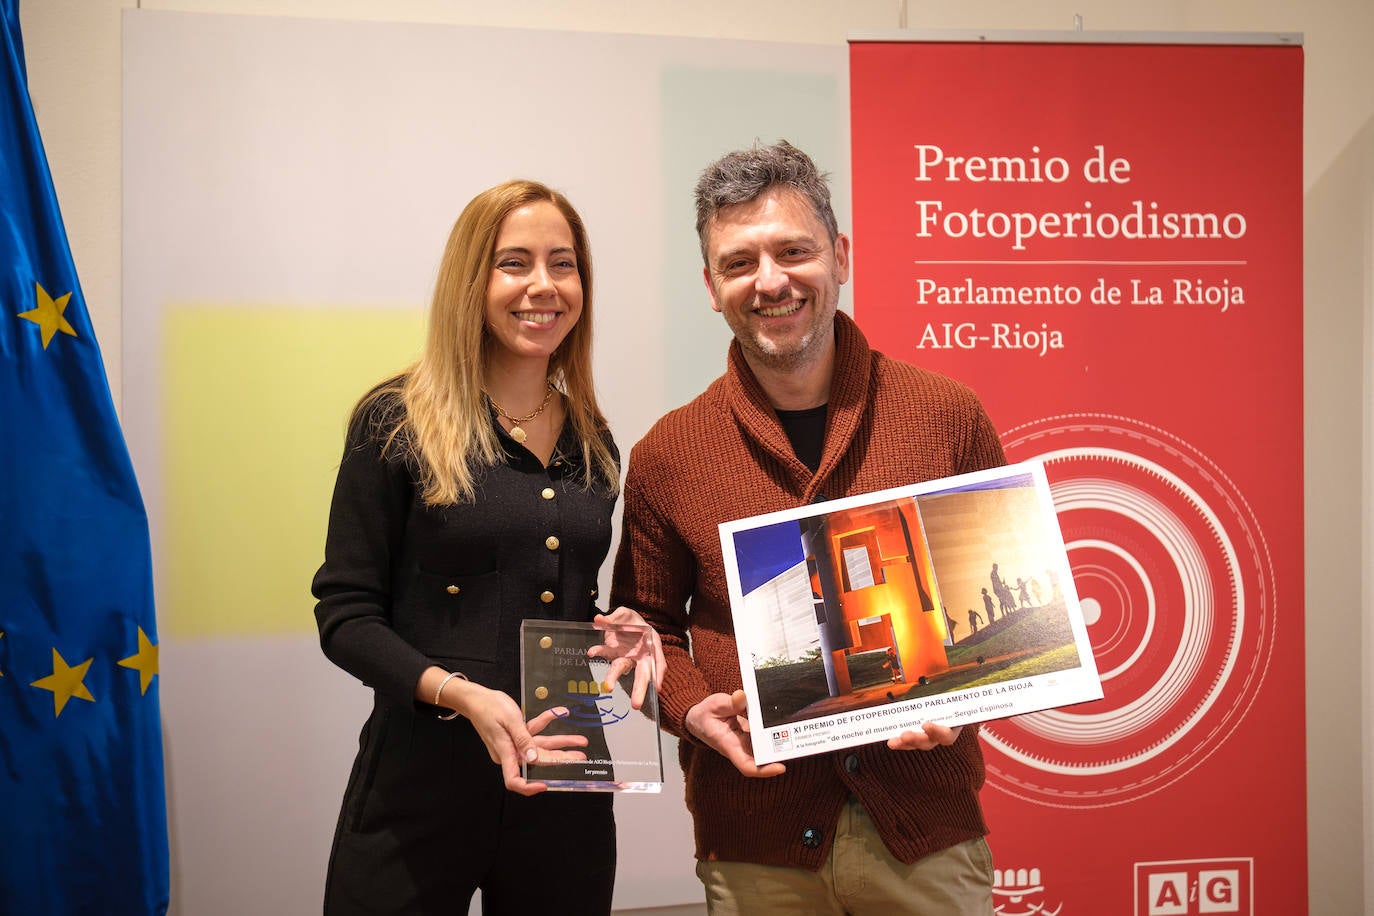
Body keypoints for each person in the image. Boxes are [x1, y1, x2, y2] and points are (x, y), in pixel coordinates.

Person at [611, 141, 1006, 914]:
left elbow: (1001, 589)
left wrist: (958, 705)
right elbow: (647, 627)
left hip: (926, 834)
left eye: (794, 250)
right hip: (756, 842)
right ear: (709, 285)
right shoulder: (668, 454)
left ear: (841, 256)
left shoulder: (946, 416)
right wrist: (691, 708)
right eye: (738, 262)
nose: (770, 282)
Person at [312, 179, 662, 915]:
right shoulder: (395, 421)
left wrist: (617, 629)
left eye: (563, 264)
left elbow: (569, 599)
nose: (543, 286)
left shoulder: (594, 440)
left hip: (566, 786)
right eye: (515, 263)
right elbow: (345, 616)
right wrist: (461, 695)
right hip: (417, 788)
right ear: (473, 279)